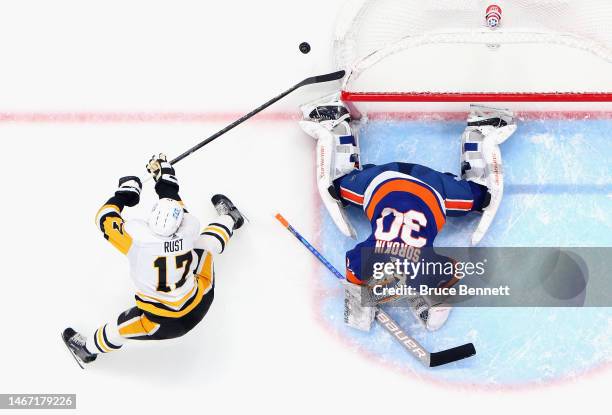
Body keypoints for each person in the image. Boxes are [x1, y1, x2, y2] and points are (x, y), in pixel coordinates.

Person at [299, 95, 515, 332]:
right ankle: (333, 121)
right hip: (384, 183)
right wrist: (361, 295)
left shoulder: (426, 266)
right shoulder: (369, 259)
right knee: (338, 187)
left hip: (428, 188)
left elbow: (454, 271)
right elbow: (354, 269)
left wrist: (435, 298)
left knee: (481, 196)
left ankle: (482, 129)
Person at [62, 154, 245, 368]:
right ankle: (230, 217)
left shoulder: (136, 242)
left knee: (116, 330)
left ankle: (86, 349)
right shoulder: (187, 230)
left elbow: (104, 218)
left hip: (162, 323)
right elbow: (174, 201)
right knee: (206, 245)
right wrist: (165, 176)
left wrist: (124, 195)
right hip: (201, 300)